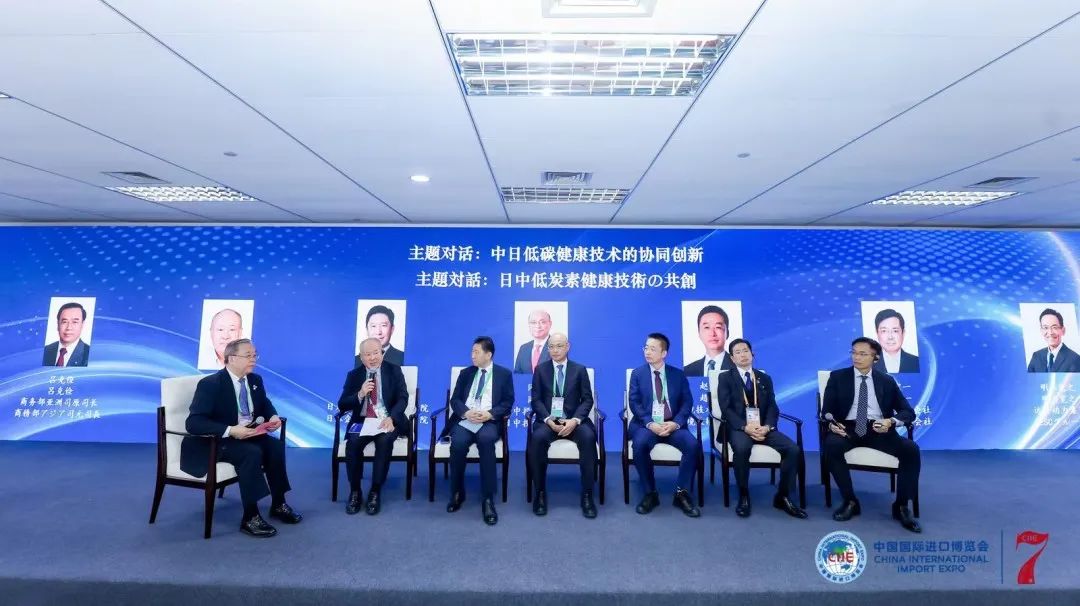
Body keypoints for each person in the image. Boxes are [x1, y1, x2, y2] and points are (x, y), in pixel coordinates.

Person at [182, 339, 302, 537]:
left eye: (255, 355)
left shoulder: (254, 380)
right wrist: (230, 430)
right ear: (231, 359)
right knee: (250, 453)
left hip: (249, 433)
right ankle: (250, 517)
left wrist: (272, 416)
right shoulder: (211, 384)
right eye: (248, 355)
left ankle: (279, 504)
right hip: (219, 440)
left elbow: (264, 403)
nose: (253, 359)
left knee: (275, 447)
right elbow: (193, 423)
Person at [821, 337, 921, 533]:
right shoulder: (837, 377)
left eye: (862, 354)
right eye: (853, 352)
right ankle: (850, 501)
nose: (856, 357)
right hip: (848, 428)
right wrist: (831, 424)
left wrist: (891, 422)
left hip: (878, 429)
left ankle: (901, 506)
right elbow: (826, 411)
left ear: (875, 358)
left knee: (910, 449)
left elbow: (908, 412)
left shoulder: (887, 381)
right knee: (832, 446)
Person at [715, 338, 806, 519]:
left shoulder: (764, 378)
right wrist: (745, 427)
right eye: (738, 352)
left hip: (763, 427)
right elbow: (726, 408)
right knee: (742, 448)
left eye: (745, 350)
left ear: (752, 354)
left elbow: (772, 406)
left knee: (793, 449)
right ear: (732, 358)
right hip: (738, 428)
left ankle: (783, 496)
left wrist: (768, 426)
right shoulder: (725, 378)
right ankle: (744, 495)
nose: (743, 355)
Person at [628, 332, 701, 517]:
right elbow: (634, 403)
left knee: (692, 445)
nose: (647, 352)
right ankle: (650, 493)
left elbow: (687, 402)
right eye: (646, 348)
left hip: (672, 425)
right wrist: (650, 423)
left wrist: (676, 423)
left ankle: (681, 493)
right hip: (647, 425)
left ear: (664, 353)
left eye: (653, 349)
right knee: (639, 444)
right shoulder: (638, 374)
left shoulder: (678, 375)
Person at [444, 336, 513, 525]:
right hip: (466, 419)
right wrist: (466, 412)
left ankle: (488, 498)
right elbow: (455, 400)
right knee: (458, 443)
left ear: (488, 355)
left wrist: (490, 414)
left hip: (489, 421)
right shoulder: (466, 373)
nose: (472, 355)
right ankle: (457, 492)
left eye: (476, 352)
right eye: (472, 351)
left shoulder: (504, 374)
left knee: (486, 441)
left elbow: (508, 402)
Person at [528, 332, 598, 518]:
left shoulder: (579, 370)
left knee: (588, 438)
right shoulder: (540, 370)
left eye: (559, 346)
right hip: (549, 422)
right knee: (537, 439)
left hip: (573, 421)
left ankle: (587, 495)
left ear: (568, 347)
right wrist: (548, 420)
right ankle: (540, 493)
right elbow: (536, 400)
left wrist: (575, 420)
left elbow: (587, 400)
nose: (555, 350)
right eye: (551, 346)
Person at [337, 337, 410, 515]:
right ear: (361, 357)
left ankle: (375, 491)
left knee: (385, 441)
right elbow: (342, 404)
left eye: (376, 353)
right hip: (362, 421)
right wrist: (360, 394)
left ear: (382, 353)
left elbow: (402, 398)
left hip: (387, 420)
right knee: (353, 444)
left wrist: (392, 418)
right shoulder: (354, 375)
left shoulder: (394, 370)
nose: (372, 358)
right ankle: (355, 492)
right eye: (368, 355)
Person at [683, 305, 734, 376]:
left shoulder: (739, 367)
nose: (712, 333)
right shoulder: (687, 371)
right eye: (707, 327)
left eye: (718, 327)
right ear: (699, 333)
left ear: (727, 333)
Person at [1026, 308, 1080, 372]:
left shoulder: (1075, 359)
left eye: (1054, 327)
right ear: (1041, 331)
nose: (1050, 332)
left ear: (1063, 330)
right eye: (1045, 327)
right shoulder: (1036, 356)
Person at [42, 302, 91, 367]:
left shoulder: (89, 354)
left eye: (75, 322)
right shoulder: (46, 350)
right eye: (64, 322)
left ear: (82, 324)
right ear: (58, 324)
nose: (69, 327)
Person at [871, 309, 920, 373]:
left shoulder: (916, 362)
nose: (890, 337)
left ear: (903, 333)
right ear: (877, 333)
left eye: (895, 331)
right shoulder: (868, 363)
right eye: (884, 331)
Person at [514, 310, 552, 374]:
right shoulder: (523, 348)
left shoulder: (558, 346)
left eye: (542, 322)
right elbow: (517, 374)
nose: (538, 326)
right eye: (533, 322)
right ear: (529, 325)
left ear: (550, 324)